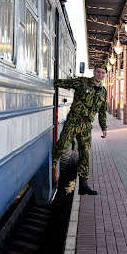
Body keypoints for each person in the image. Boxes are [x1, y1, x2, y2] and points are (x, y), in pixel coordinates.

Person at [52, 64, 107, 195]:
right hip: (74, 121)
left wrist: (104, 127)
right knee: (61, 146)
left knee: (85, 153)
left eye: (103, 73)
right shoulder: (82, 82)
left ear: (105, 75)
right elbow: (66, 83)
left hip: (87, 125)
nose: (100, 75)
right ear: (94, 72)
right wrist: (52, 82)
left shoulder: (103, 91)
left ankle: (83, 185)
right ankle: (51, 173)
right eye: (98, 72)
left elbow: (102, 111)